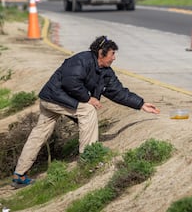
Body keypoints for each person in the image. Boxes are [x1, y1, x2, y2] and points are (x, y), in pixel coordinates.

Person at [12, 35, 160, 188]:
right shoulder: (81, 60)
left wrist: (141, 104)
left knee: (39, 134)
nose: (114, 58)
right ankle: (89, 159)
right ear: (101, 53)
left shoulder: (105, 71)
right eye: (112, 54)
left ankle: (19, 175)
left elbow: (118, 92)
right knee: (88, 110)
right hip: (54, 97)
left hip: (54, 99)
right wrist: (88, 99)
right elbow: (70, 82)